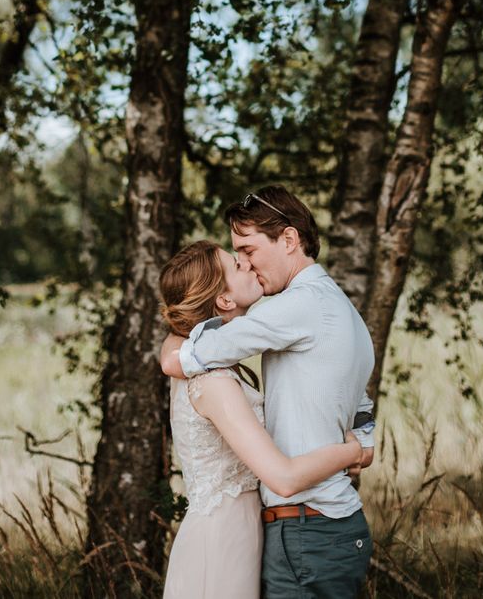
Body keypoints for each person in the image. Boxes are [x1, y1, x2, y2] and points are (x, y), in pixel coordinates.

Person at [161, 186, 376, 599]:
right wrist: (359, 448)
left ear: (289, 239)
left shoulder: (297, 307)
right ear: (222, 297)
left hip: (305, 528)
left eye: (248, 250)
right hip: (310, 528)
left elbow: (191, 355)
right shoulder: (341, 308)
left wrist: (171, 351)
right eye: (236, 257)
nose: (244, 261)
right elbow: (361, 406)